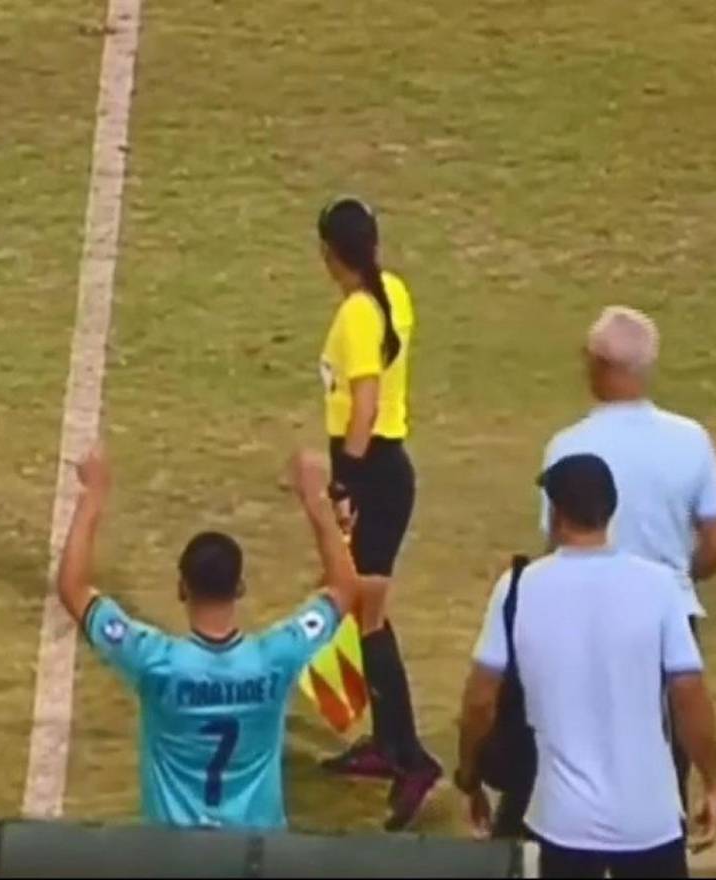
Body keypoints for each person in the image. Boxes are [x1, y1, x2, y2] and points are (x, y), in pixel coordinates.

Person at [55, 445, 358, 829]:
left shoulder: (154, 662)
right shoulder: (276, 657)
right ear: (241, 587)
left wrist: (92, 497)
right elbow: (344, 589)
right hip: (257, 858)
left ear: (182, 588)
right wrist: (315, 500)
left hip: (176, 860)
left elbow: (73, 589)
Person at [455, 454, 716, 879]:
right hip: (650, 822)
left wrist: (468, 776)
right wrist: (712, 782)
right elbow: (689, 696)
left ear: (556, 512)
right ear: (610, 511)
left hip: (560, 825)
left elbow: (480, 700)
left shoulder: (518, 588)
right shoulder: (659, 586)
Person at [541, 305, 716, 804]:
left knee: (582, 752)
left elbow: (555, 548)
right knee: (665, 760)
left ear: (600, 364)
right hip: (668, 617)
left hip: (584, 621)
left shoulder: (568, 447)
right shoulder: (691, 440)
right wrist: (675, 579)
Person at [314, 196, 441, 829]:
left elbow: (362, 407)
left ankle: (410, 755)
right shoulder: (393, 293)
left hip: (374, 475)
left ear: (329, 254)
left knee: (366, 613)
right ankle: (390, 743)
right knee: (365, 611)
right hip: (389, 473)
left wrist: (344, 486)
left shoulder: (356, 316)